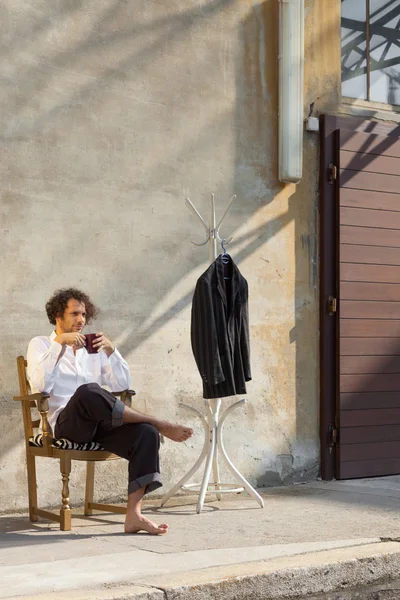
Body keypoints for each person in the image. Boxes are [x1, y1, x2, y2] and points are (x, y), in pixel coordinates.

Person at [27, 288, 193, 535]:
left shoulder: (92, 349)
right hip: (65, 425)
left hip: (100, 426)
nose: (81, 320)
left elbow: (122, 386)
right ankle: (160, 422)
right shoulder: (40, 344)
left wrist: (111, 351)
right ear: (57, 316)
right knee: (87, 391)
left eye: (84, 314)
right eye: (74, 314)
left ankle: (134, 515)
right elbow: (40, 386)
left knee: (146, 434)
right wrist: (59, 344)